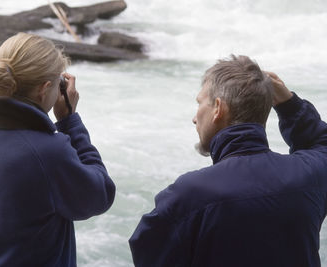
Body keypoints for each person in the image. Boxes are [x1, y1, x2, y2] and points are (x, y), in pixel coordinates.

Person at [129, 55, 327, 267]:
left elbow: (148, 256)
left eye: (199, 103)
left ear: (217, 108)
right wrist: (289, 105)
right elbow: (321, 143)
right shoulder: (307, 177)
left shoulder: (187, 195)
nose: (195, 118)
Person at [0, 32, 116, 267]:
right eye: (58, 84)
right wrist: (70, 122)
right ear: (44, 89)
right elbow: (101, 195)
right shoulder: (47, 153)